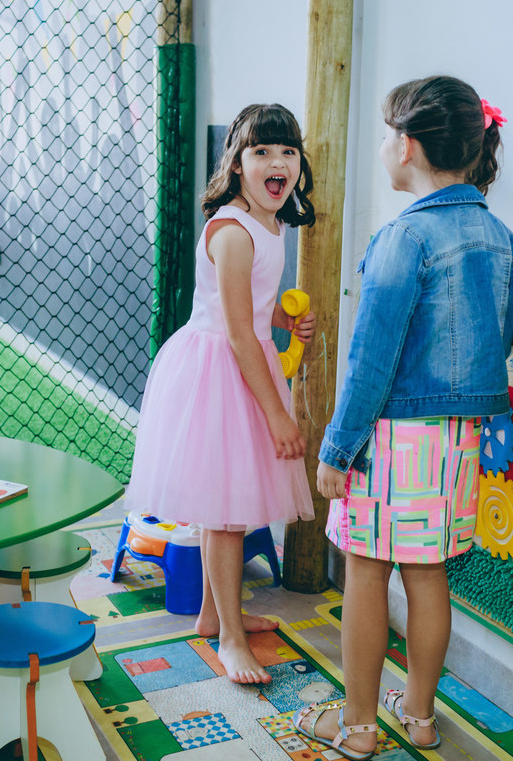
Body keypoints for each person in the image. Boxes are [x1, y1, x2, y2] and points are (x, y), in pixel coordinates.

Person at [293, 76, 513, 760]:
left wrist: (338, 448)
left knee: (366, 572)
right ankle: (418, 716)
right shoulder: (500, 235)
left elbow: (370, 360)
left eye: (390, 135)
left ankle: (358, 727)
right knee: (428, 578)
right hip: (457, 443)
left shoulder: (406, 237)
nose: (386, 149)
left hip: (393, 440)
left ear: (409, 145)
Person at [125, 103, 317, 685]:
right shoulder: (233, 232)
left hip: (243, 361)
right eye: (261, 151)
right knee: (224, 515)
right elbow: (234, 333)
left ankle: (214, 615)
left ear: (299, 165)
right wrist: (277, 416)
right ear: (236, 165)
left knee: (226, 507)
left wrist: (281, 326)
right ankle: (230, 639)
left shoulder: (273, 222)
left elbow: (249, 314)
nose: (276, 161)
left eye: (286, 151)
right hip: (220, 371)